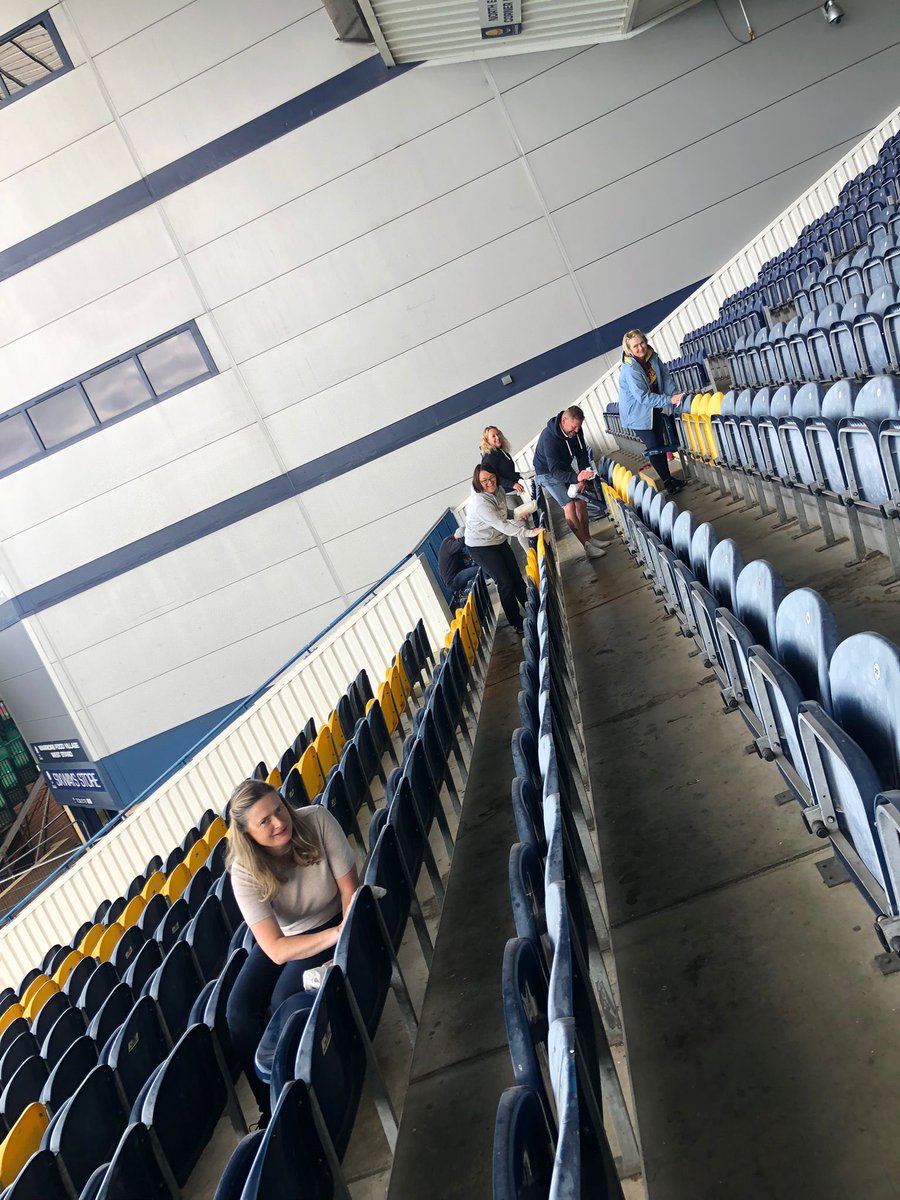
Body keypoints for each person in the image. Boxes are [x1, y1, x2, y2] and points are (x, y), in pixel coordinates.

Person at [225, 779, 358, 1121]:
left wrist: (343, 934)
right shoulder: (243, 871)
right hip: (289, 937)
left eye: (279, 810)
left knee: (284, 998)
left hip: (333, 916)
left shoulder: (315, 820)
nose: (279, 823)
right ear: (248, 834)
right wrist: (333, 937)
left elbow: (350, 891)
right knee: (238, 1009)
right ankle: (272, 1107)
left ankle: (319, 1084)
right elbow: (276, 950)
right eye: (264, 822)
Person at [464, 465, 539, 635]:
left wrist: (517, 514)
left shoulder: (499, 491)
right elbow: (502, 525)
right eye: (484, 480)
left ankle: (533, 607)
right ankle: (516, 622)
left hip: (498, 539)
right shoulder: (479, 503)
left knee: (516, 576)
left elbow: (503, 514)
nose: (489, 482)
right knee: (505, 583)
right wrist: (529, 532)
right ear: (478, 482)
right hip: (481, 546)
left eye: (491, 477)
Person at [532, 405, 611, 560]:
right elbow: (554, 471)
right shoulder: (549, 438)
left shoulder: (576, 430)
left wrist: (583, 476)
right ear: (564, 420)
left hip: (564, 467)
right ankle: (586, 546)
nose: (576, 431)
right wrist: (576, 478)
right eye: (573, 427)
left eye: (578, 428)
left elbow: (581, 453)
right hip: (547, 473)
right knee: (569, 505)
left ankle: (589, 538)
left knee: (581, 502)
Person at [617, 328, 686, 495]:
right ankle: (668, 482)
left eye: (642, 343)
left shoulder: (652, 356)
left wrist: (674, 394)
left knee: (660, 444)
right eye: (635, 346)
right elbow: (643, 397)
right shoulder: (630, 369)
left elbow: (666, 377)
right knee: (654, 445)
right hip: (637, 414)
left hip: (652, 408)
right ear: (629, 349)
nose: (640, 348)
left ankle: (668, 478)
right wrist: (669, 400)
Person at [480, 426, 526, 495]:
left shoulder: (500, 451)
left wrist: (521, 475)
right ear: (487, 440)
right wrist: (512, 484)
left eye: (498, 434)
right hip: (503, 495)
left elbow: (506, 472)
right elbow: (491, 477)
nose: (497, 437)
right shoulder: (489, 456)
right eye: (493, 436)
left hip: (512, 492)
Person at [438, 528, 479, 595]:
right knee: (478, 569)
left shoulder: (450, 541)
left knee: (479, 564)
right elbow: (461, 543)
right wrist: (469, 536)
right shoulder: (448, 544)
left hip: (458, 572)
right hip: (453, 581)